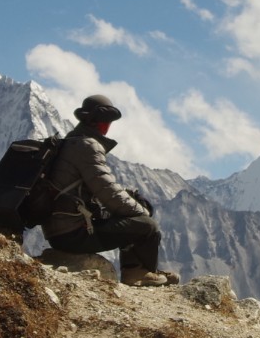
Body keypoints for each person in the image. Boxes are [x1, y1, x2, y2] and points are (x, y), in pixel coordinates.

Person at [40, 94, 178, 287]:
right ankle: (138, 273)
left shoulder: (71, 141)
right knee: (147, 225)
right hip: (73, 234)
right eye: (107, 121)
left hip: (60, 230)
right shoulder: (87, 146)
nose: (108, 126)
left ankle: (143, 270)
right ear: (101, 123)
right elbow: (107, 191)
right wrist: (142, 213)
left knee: (134, 215)